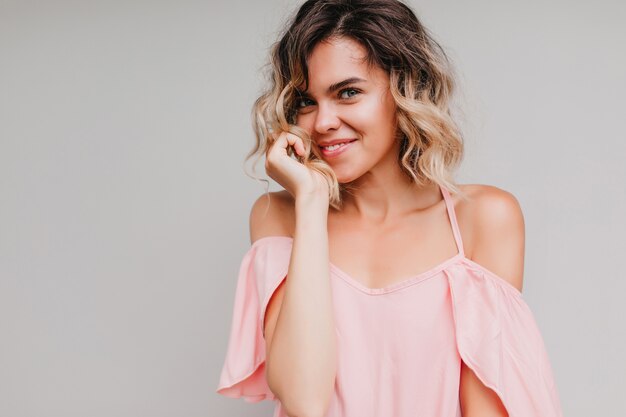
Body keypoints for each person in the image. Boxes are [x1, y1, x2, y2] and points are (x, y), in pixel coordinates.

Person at [216, 1, 563, 416]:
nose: (322, 121)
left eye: (348, 92)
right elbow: (304, 399)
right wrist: (310, 204)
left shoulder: (483, 218)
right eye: (307, 102)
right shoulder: (280, 215)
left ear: (405, 90)